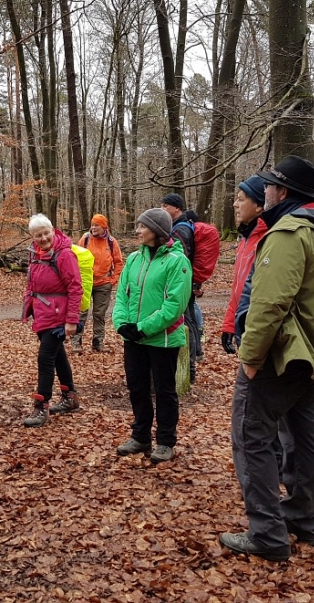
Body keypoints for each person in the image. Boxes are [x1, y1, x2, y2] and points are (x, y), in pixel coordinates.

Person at [219, 155, 314, 562]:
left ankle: (267, 534)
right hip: (307, 354)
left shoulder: (288, 233)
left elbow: (269, 303)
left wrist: (250, 357)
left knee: (251, 438)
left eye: (268, 186)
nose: (264, 191)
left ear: (282, 192)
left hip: (280, 355)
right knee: (302, 434)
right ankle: (302, 519)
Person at [112, 208, 192, 464]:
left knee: (165, 391)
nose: (137, 231)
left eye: (142, 227)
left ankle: (166, 441)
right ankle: (141, 436)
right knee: (137, 388)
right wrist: (121, 324)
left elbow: (174, 306)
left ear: (157, 231)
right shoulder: (134, 259)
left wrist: (143, 327)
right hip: (134, 338)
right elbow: (122, 295)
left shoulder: (177, 262)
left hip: (163, 339)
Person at [22, 214, 83, 427]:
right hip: (42, 313)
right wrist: (28, 307)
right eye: (38, 235)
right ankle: (69, 397)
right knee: (58, 356)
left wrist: (72, 320)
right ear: (32, 237)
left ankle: (41, 406)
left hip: (58, 316)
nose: (43, 238)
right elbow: (32, 284)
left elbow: (75, 287)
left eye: (46, 233)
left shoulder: (65, 255)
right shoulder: (35, 254)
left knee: (45, 357)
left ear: (53, 230)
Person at [220, 175, 267, 354]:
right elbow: (238, 287)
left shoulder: (268, 239)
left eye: (241, 199)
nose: (235, 204)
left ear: (259, 206)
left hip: (258, 328)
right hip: (243, 324)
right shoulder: (245, 239)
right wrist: (230, 324)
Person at [160, 193, 202, 380]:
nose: (162, 209)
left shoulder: (181, 230)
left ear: (176, 208)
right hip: (184, 282)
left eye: (165, 206)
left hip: (182, 283)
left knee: (186, 321)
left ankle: (189, 367)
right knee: (188, 319)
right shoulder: (179, 226)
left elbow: (180, 259)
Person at [71, 214, 124, 353]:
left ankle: (98, 342)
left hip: (104, 283)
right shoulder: (85, 239)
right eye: (92, 225)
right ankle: (76, 343)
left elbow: (118, 263)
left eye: (97, 225)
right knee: (81, 312)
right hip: (85, 282)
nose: (93, 228)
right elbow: (74, 258)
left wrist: (113, 280)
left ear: (104, 227)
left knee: (99, 314)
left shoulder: (111, 242)